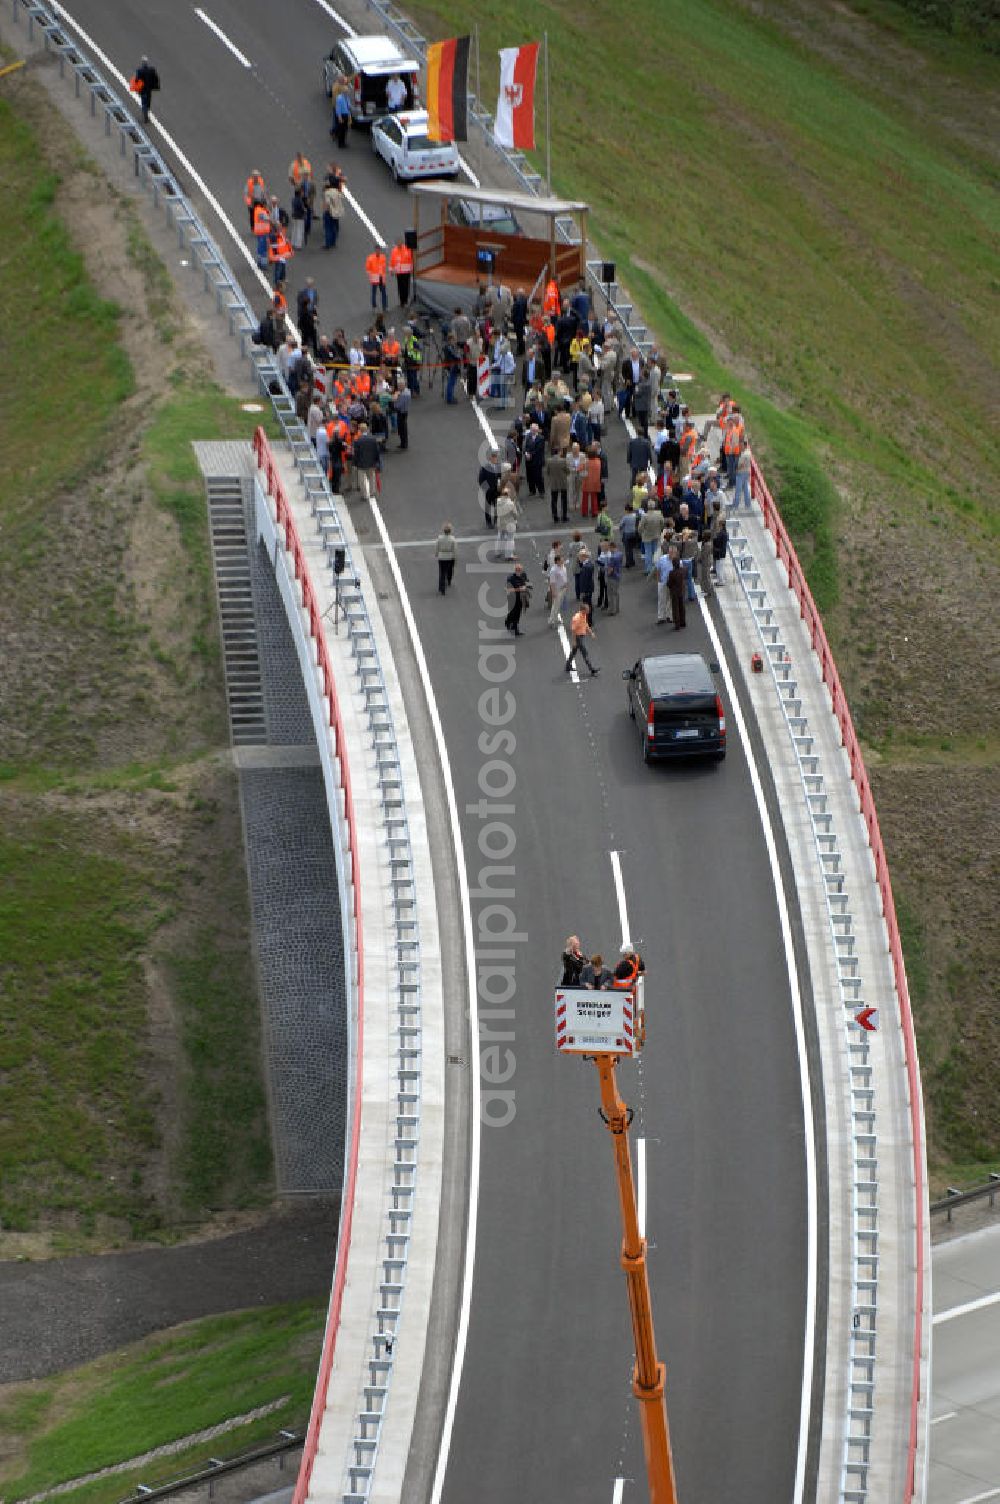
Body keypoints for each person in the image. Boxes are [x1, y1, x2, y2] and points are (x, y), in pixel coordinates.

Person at [565, 605, 599, 676]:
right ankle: (592, 669)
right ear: (583, 610)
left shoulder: (584, 615)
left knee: (573, 652)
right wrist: (574, 641)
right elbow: (573, 630)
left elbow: (585, 624)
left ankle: (568, 666)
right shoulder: (577, 618)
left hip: (581, 636)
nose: (589, 611)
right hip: (578, 638)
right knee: (585, 653)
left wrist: (591, 632)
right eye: (587, 609)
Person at [352, 422, 381, 501]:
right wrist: (377, 461)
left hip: (361, 463)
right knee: (371, 477)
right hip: (371, 462)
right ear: (367, 430)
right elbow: (376, 451)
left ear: (360, 431)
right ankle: (372, 492)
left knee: (362, 480)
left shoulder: (358, 441)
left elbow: (356, 453)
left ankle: (364, 495)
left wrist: (354, 463)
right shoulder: (373, 439)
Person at [496, 481, 521, 561]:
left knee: (500, 537)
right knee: (510, 539)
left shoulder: (498, 501)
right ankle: (509, 555)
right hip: (509, 524)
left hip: (501, 522)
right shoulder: (510, 504)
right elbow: (515, 514)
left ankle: (498, 552)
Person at [132, 56, 159, 125]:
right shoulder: (152, 70)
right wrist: (155, 86)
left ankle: (145, 115)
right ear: (147, 63)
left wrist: (135, 86)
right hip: (149, 89)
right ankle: (146, 113)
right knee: (148, 102)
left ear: (142, 63)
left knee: (144, 102)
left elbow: (136, 79)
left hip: (142, 90)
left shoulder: (139, 71)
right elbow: (156, 78)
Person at [505, 562, 529, 635]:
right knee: (513, 612)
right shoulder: (511, 578)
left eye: (520, 569)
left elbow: (527, 583)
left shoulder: (523, 575)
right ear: (515, 570)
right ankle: (509, 622)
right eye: (517, 569)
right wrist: (519, 589)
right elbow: (508, 589)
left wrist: (526, 587)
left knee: (518, 613)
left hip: (521, 598)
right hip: (512, 598)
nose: (518, 571)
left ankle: (515, 628)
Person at [389, 239, 414, 306]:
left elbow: (411, 259)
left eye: (400, 243)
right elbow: (392, 261)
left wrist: (412, 268)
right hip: (399, 272)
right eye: (397, 243)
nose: (399, 245)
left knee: (406, 286)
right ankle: (401, 301)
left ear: (402, 243)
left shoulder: (407, 249)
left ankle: (405, 300)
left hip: (406, 271)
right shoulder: (394, 251)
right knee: (400, 286)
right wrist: (391, 270)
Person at [667, 547, 687, 630]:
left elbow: (669, 583)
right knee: (682, 606)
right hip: (682, 590)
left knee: (675, 608)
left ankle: (677, 624)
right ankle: (683, 622)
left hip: (674, 592)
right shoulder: (683, 570)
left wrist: (669, 585)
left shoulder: (672, 573)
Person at [322, 175, 344, 249]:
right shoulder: (338, 192)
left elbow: (327, 203)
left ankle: (327, 244)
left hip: (329, 212)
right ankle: (333, 242)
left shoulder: (327, 193)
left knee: (328, 228)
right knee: (334, 227)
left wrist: (326, 211)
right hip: (336, 212)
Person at [547, 550, 568, 627]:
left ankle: (555, 619)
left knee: (558, 605)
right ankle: (551, 621)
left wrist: (566, 585)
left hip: (563, 588)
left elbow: (564, 576)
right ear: (557, 561)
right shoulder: (553, 570)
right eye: (562, 560)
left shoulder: (563, 566)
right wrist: (553, 592)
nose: (563, 560)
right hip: (557, 590)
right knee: (555, 606)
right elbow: (552, 582)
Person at [435, 523, 457, 594]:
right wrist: (455, 557)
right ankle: (449, 580)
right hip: (449, 557)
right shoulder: (452, 539)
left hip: (441, 557)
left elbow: (436, 547)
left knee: (442, 572)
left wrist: (436, 554)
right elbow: (455, 549)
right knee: (450, 569)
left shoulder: (439, 538)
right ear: (450, 531)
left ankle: (441, 587)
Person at [365, 246, 388, 311]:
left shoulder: (383, 257)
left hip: (381, 278)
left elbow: (384, 268)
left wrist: (383, 277)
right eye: (376, 250)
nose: (378, 251)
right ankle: (374, 306)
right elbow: (368, 269)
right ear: (375, 250)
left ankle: (385, 306)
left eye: (379, 250)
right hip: (374, 278)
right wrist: (370, 278)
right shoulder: (370, 258)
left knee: (383, 293)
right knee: (374, 293)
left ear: (380, 250)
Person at [605, 539, 623, 615]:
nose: (609, 550)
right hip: (618, 575)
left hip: (612, 577)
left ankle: (612, 610)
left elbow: (610, 569)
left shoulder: (613, 557)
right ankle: (617, 608)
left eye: (609, 548)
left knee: (611, 594)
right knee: (616, 593)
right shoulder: (620, 554)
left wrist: (607, 573)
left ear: (612, 547)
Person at [734, 439, 753, 509]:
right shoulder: (749, 452)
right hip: (747, 472)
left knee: (738, 489)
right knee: (745, 489)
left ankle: (735, 505)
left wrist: (736, 469)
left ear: (744, 445)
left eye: (741, 445)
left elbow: (741, 464)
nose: (740, 447)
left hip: (741, 472)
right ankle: (748, 504)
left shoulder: (744, 454)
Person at [394, 382, 410, 450]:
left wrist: (395, 398)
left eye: (400, 386)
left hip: (402, 412)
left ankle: (404, 444)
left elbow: (398, 405)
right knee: (402, 428)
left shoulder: (404, 394)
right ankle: (403, 443)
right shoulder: (406, 391)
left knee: (402, 428)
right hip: (403, 411)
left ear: (403, 386)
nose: (398, 388)